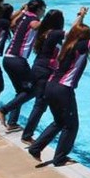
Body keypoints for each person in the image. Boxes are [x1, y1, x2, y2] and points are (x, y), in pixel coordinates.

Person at [28, 8, 90, 167]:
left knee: (59, 122)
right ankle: (60, 158)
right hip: (63, 89)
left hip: (51, 86)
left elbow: (73, 31)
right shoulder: (78, 47)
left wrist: (80, 16)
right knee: (71, 125)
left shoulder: (66, 45)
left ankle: (36, 148)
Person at [0, 0, 46, 131]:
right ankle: (4, 109)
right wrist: (49, 22)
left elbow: (12, 24)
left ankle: (12, 122)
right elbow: (35, 25)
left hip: (8, 58)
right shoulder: (33, 20)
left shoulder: (22, 17)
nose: (44, 13)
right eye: (43, 10)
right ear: (39, 9)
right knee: (34, 90)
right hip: (18, 60)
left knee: (21, 91)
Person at [20, 9, 67, 144]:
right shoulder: (55, 33)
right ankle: (27, 135)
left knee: (39, 101)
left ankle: (7, 111)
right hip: (44, 71)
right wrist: (81, 17)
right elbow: (75, 33)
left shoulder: (44, 32)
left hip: (39, 68)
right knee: (40, 105)